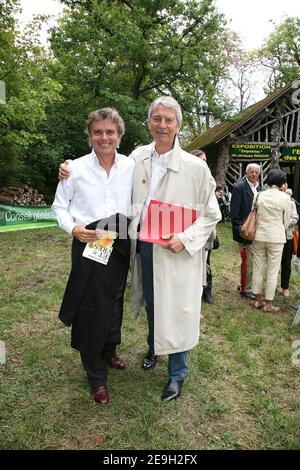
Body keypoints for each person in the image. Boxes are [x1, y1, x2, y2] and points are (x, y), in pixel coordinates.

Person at [129, 97, 221, 401]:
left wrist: (186, 238)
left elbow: (212, 213)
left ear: (178, 125)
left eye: (169, 119)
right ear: (149, 123)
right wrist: (70, 170)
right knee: (153, 303)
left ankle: (177, 373)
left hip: (178, 250)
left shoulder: (195, 168)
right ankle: (155, 348)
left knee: (178, 308)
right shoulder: (138, 157)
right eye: (157, 118)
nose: (162, 125)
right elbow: (107, 174)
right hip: (145, 245)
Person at [52, 108, 135, 405]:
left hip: (120, 241)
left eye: (110, 132)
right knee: (91, 306)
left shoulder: (131, 166)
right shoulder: (74, 168)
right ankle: (95, 375)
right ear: (89, 135)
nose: (104, 137)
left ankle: (109, 350)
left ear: (119, 136)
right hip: (89, 241)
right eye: (98, 132)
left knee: (114, 299)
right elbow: (59, 207)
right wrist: (73, 228)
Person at [251, 169, 291, 312]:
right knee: (273, 271)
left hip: (259, 235)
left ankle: (257, 300)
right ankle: (268, 304)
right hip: (276, 237)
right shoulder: (285, 198)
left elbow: (254, 213)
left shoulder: (259, 195)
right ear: (281, 182)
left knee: (258, 268)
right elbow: (286, 222)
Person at [230, 163, 261, 300]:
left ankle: (246, 284)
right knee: (248, 261)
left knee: (253, 260)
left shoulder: (259, 188)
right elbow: (234, 212)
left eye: (256, 172)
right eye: (251, 172)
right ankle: (246, 289)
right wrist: (239, 230)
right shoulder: (239, 187)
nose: (254, 174)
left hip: (255, 230)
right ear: (246, 172)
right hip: (244, 231)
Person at [190, 149, 217, 304]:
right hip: (190, 230)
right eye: (200, 160)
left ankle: (206, 291)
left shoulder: (208, 180)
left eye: (205, 160)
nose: (203, 163)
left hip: (206, 231)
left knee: (205, 262)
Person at [280, 188, 299, 298]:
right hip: (274, 235)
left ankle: (285, 287)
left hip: (288, 236)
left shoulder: (291, 203)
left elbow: (295, 217)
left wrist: (284, 223)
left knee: (286, 263)